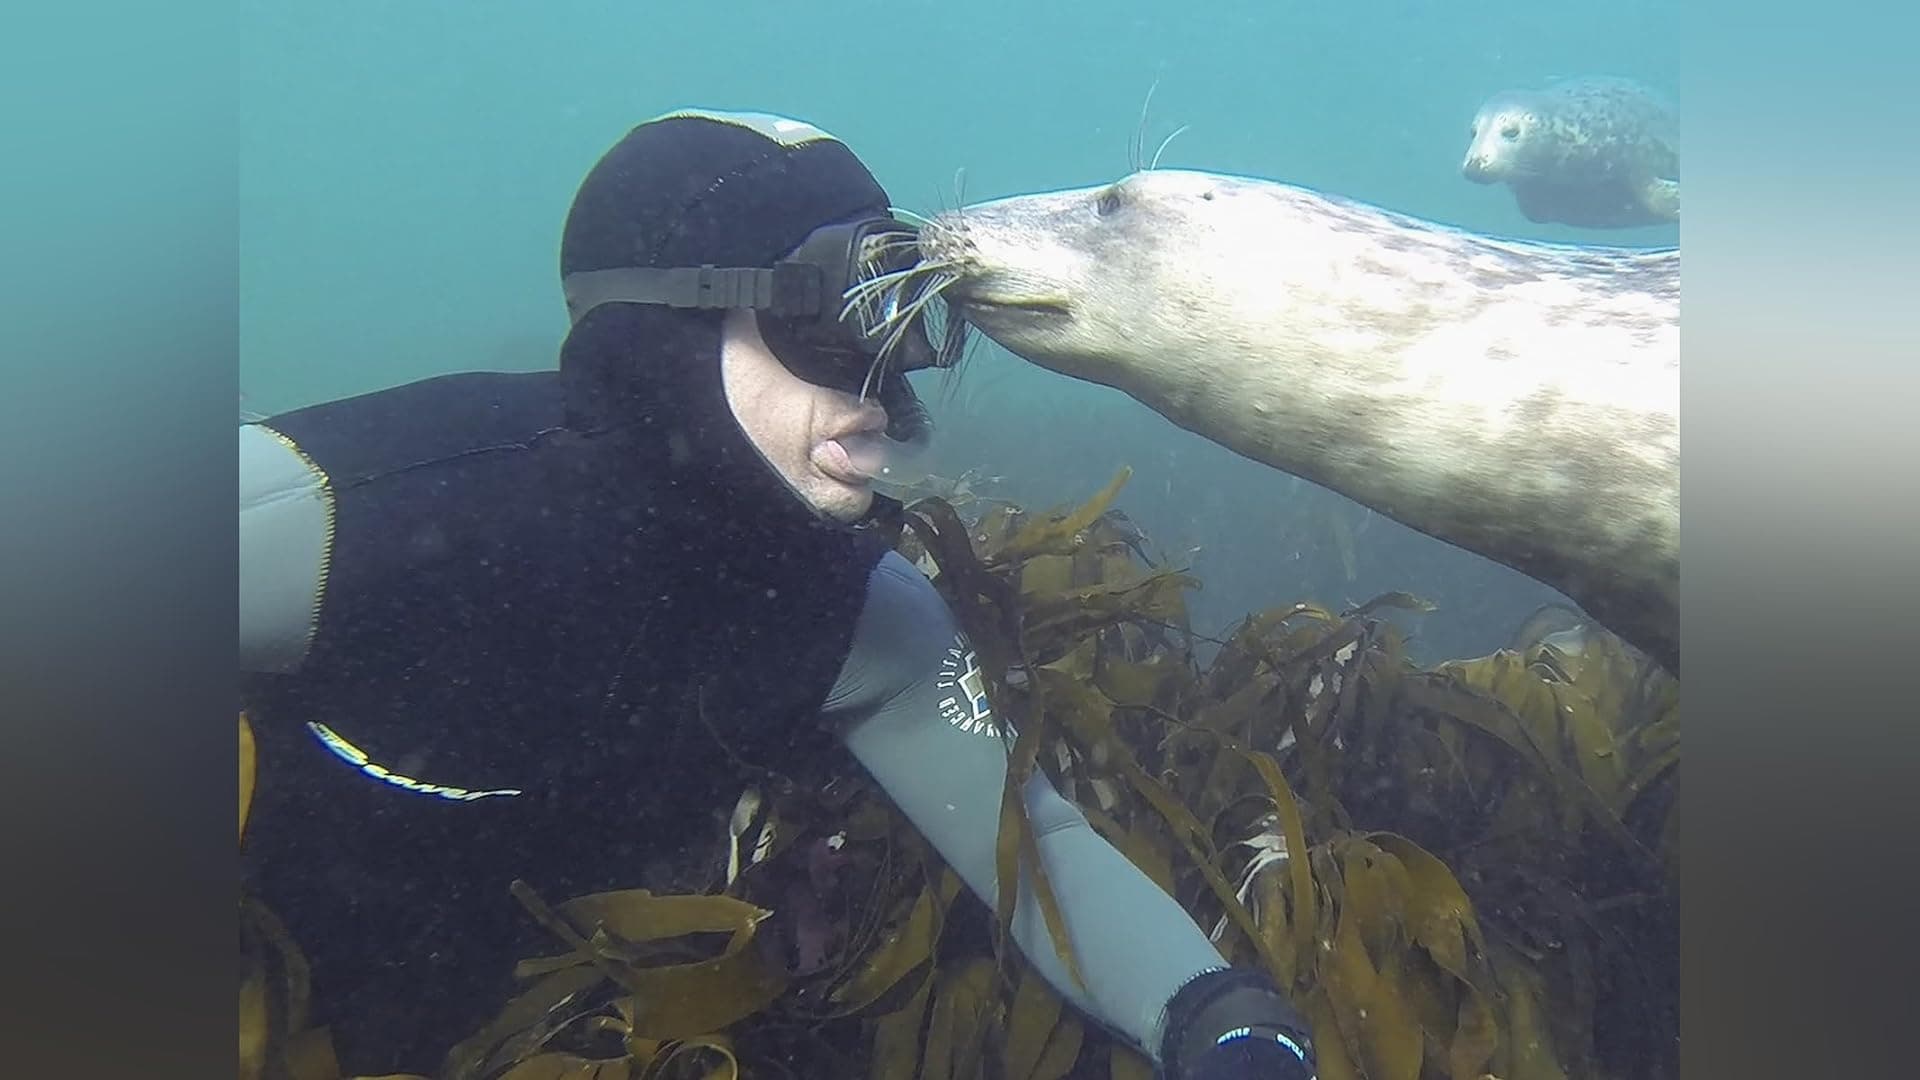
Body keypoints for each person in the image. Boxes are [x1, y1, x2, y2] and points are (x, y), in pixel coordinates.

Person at [238, 107, 1317, 1079]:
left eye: (901, 329)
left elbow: (1035, 849)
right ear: (664, 330)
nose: (882, 395)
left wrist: (1225, 1024)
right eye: (835, 323)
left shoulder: (861, 617)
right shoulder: (351, 515)